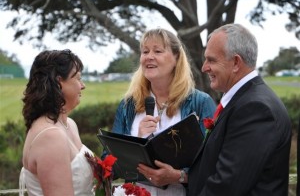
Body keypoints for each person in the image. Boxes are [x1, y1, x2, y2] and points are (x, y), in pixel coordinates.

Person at [188, 23, 292, 196]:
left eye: (211, 60)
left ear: (236, 62)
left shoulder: (256, 109)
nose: (204, 67)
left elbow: (226, 187)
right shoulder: (245, 100)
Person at [110, 28, 216, 196]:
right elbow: (109, 163)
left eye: (157, 51)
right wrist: (135, 141)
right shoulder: (128, 105)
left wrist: (179, 176)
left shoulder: (200, 103)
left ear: (176, 58)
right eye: (145, 51)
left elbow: (212, 162)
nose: (149, 56)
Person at [19, 49, 94, 196]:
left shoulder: (69, 124)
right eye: (78, 78)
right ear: (59, 82)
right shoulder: (50, 136)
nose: (82, 85)